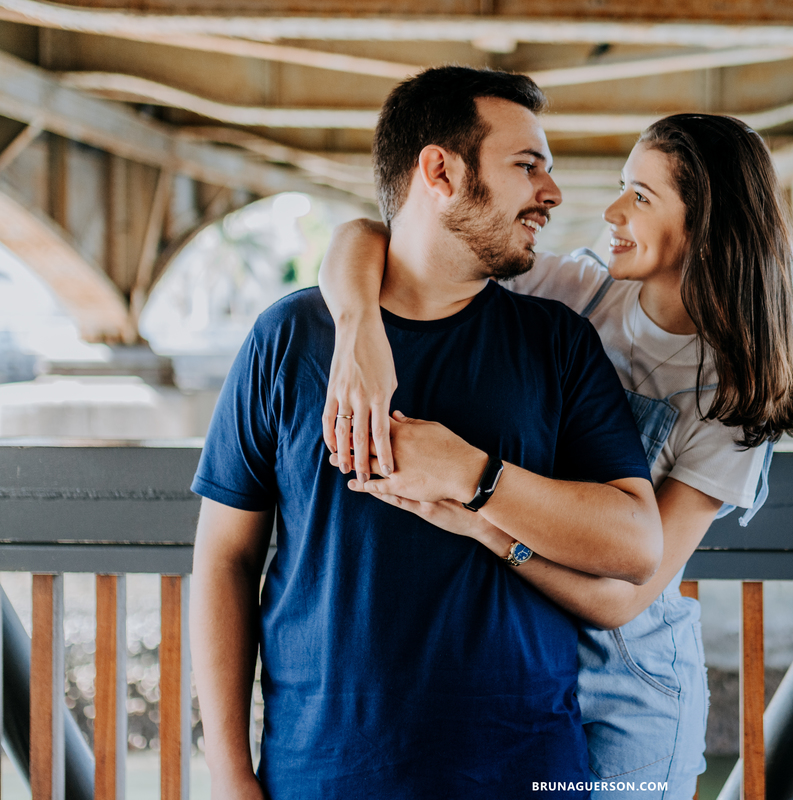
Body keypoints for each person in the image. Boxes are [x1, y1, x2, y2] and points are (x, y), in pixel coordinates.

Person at [189, 66, 664, 800]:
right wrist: (227, 772)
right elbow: (225, 557)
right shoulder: (288, 338)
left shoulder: (556, 342)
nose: (554, 193)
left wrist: (475, 477)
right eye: (526, 165)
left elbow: (636, 543)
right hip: (321, 776)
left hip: (526, 774)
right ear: (440, 170)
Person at [320, 112, 793, 798]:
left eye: (640, 197)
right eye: (622, 187)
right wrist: (357, 329)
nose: (611, 211)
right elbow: (369, 235)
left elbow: (624, 599)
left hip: (628, 689)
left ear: (708, 224)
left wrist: (480, 516)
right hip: (522, 663)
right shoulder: (586, 287)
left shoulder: (732, 394)